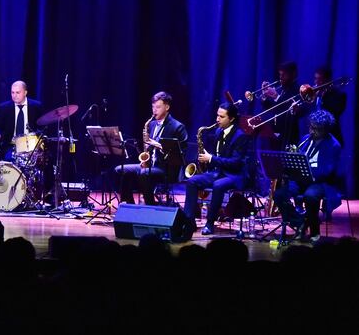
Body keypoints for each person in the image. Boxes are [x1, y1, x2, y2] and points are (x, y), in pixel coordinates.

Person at [183, 102, 251, 235]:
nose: (217, 119)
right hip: (218, 172)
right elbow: (216, 156)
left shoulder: (240, 136)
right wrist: (206, 161)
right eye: (217, 115)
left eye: (221, 116)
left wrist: (212, 158)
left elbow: (236, 162)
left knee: (218, 185)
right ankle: (188, 221)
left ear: (231, 119)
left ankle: (209, 223)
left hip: (235, 175)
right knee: (191, 181)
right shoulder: (218, 131)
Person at [273, 110, 341, 243]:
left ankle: (314, 230)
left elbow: (327, 171)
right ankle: (299, 223)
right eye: (311, 127)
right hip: (301, 179)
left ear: (325, 130)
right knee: (279, 195)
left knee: (310, 196)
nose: (311, 131)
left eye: (316, 129)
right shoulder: (305, 139)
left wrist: (307, 172)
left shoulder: (333, 145)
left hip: (321, 182)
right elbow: (299, 159)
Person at [115, 91, 187, 206]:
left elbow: (181, 153)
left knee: (144, 173)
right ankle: (129, 205)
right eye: (153, 107)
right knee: (121, 169)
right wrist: (146, 156)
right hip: (151, 165)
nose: (154, 110)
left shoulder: (177, 127)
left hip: (168, 169)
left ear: (167, 107)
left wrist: (156, 144)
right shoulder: (152, 124)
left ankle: (150, 206)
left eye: (158, 107)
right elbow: (148, 149)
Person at [0, 80, 44, 160]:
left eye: (17, 92)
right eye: (12, 92)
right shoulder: (4, 108)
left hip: (31, 146)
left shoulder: (36, 106)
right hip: (10, 145)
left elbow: (42, 126)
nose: (14, 95)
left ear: (25, 92)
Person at [261, 61, 306, 148]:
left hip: (289, 135)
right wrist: (264, 95)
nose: (280, 77)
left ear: (292, 75)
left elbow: (290, 108)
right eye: (280, 74)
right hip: (274, 133)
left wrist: (275, 96)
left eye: (284, 75)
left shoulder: (298, 89)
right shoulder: (282, 89)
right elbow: (272, 108)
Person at [310, 66, 346, 145]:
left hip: (330, 136)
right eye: (316, 79)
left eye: (319, 79)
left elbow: (335, 113)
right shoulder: (314, 95)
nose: (316, 82)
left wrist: (323, 97)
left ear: (327, 80)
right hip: (315, 136)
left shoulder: (339, 95)